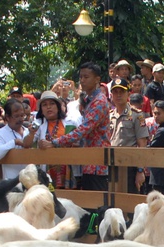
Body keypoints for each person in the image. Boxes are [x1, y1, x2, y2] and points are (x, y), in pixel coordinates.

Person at [39, 61, 112, 191]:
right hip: (88, 161)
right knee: (89, 204)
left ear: (97, 79)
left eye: (86, 77)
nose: (82, 81)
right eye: (81, 77)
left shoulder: (99, 101)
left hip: (96, 164)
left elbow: (82, 130)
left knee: (96, 205)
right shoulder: (89, 100)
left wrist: (54, 142)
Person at [24, 90, 76, 188]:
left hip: (67, 169)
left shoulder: (70, 122)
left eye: (52, 104)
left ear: (58, 107)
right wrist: (31, 133)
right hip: (46, 170)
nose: (48, 107)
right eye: (44, 105)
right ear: (41, 110)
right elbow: (26, 144)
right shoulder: (38, 123)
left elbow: (77, 143)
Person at [108, 77, 150, 193]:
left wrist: (140, 170)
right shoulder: (109, 115)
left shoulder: (137, 115)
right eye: (115, 92)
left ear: (128, 93)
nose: (118, 95)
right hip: (112, 165)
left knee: (130, 202)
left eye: (122, 91)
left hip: (129, 166)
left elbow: (142, 145)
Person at [0, 98, 29, 180]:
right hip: (12, 185)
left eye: (22, 115)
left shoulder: (29, 132)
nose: (20, 119)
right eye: (16, 116)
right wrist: (14, 142)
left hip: (31, 183)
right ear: (7, 117)